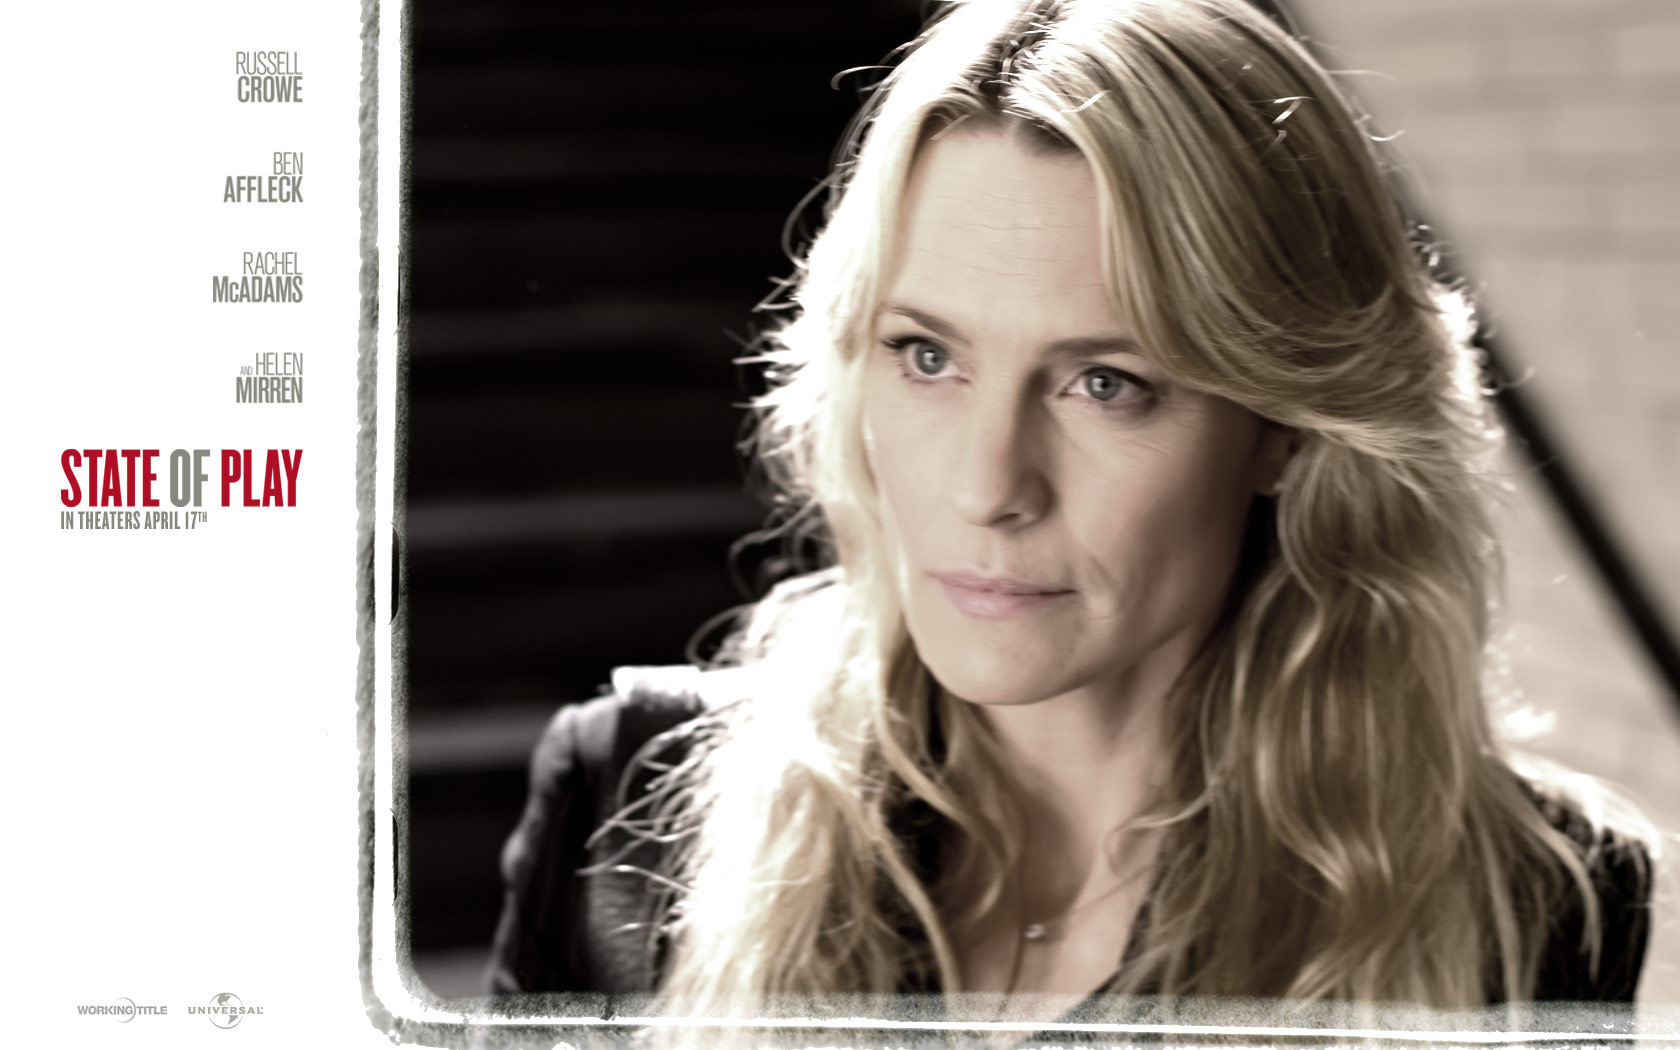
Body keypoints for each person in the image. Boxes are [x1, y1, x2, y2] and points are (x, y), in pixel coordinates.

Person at [485, 0, 1653, 1030]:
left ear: (1284, 429)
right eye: (926, 355)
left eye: (1105, 383)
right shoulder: (631, 808)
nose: (987, 487)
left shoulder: (1534, 901)